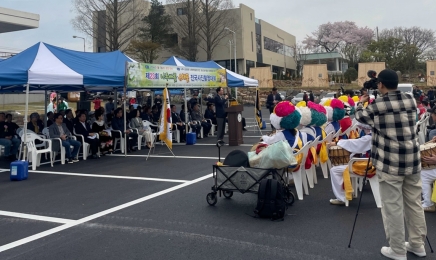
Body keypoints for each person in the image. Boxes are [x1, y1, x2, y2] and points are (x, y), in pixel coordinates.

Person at [356, 69, 427, 259]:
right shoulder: (410, 99)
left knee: (393, 207)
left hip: (390, 163)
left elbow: (360, 118)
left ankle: (397, 249)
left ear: (381, 84)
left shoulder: (379, 104)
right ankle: (417, 244)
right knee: (414, 204)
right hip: (412, 160)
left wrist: (360, 102)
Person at [328, 123, 372, 205]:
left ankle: (341, 198)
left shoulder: (369, 137)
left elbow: (356, 143)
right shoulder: (374, 135)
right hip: (370, 163)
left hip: (367, 165)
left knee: (334, 170)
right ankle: (348, 193)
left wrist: (337, 143)